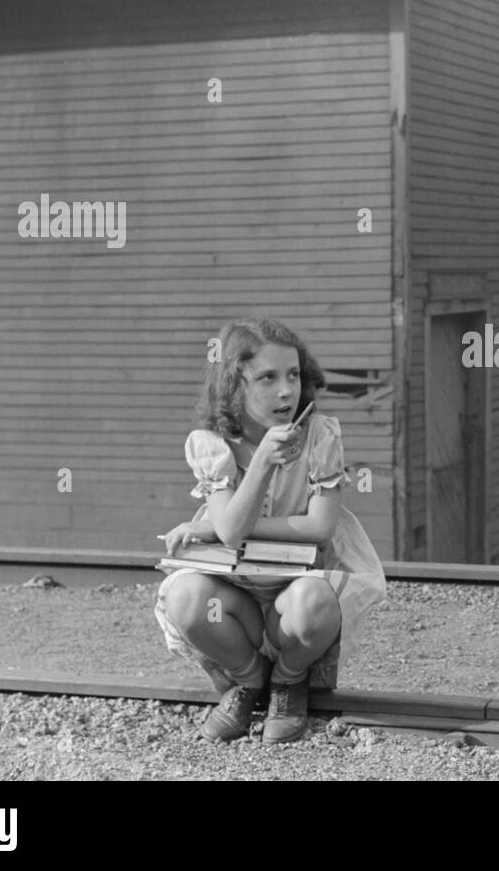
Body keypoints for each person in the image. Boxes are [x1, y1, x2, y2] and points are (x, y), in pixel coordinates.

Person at [155, 317, 386, 743]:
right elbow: (230, 533)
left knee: (315, 603)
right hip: (235, 592)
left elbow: (319, 527)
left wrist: (214, 528)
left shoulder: (319, 433)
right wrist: (261, 462)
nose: (286, 390)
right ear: (233, 386)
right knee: (185, 599)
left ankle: (288, 680)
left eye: (294, 375)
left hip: (295, 588)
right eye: (267, 378)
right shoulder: (212, 442)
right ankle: (248, 679)